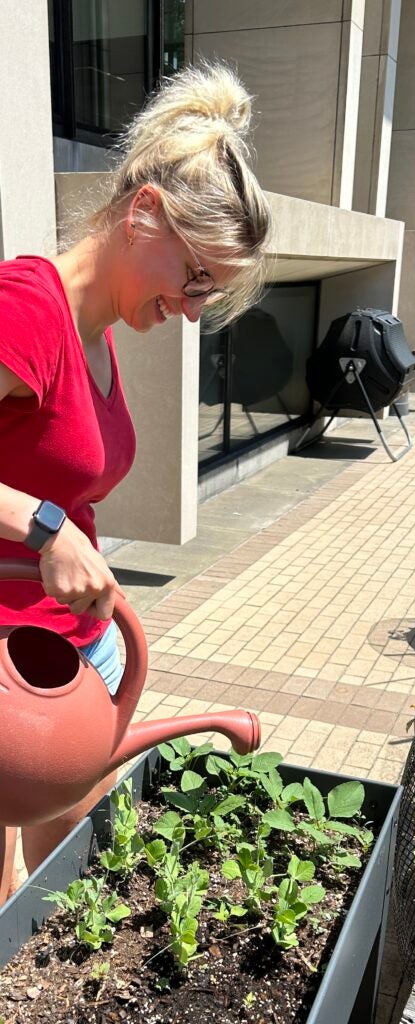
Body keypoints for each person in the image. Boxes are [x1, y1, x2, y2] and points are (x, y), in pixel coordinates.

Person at [0, 61, 270, 897]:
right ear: (143, 212)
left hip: (72, 666)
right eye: (196, 279)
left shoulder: (97, 331)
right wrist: (46, 529)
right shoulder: (26, 310)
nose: (192, 309)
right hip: (10, 683)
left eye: (210, 294)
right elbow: (51, 513)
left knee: (72, 898)